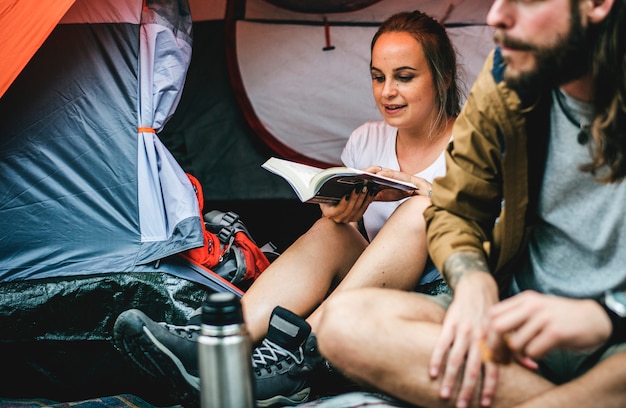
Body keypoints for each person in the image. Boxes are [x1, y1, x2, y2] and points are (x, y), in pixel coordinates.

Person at [112, 10, 462, 408]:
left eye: (404, 77)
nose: (387, 92)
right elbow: (364, 248)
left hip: (442, 292)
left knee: (418, 212)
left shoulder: (475, 143)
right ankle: (223, 339)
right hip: (376, 287)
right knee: (332, 231)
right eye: (378, 77)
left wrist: (430, 196)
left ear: (442, 76)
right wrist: (339, 215)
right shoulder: (367, 139)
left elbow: (502, 241)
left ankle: (295, 356)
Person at [316, 0, 626, 407]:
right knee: (343, 324)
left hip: (612, 347)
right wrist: (474, 282)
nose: (495, 15)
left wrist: (607, 318)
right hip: (508, 319)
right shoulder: (508, 79)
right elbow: (456, 208)